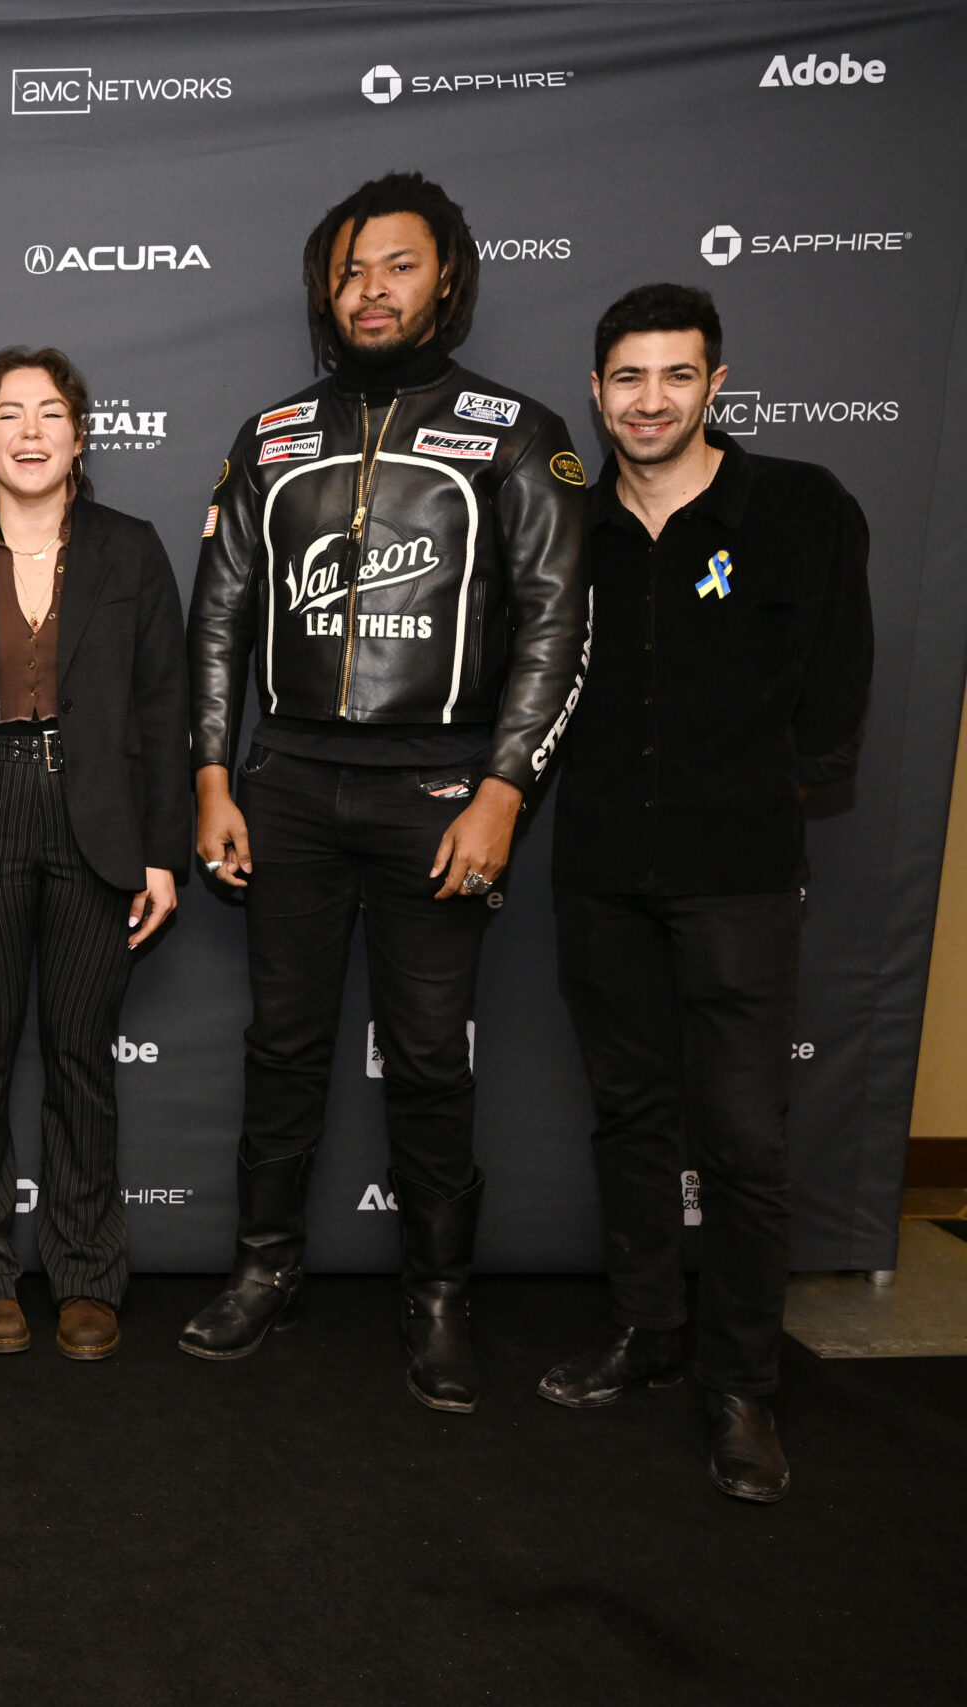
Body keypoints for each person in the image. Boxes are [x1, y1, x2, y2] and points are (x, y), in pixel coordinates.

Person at [180, 172, 588, 1412]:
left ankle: (438, 1296)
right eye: (352, 270)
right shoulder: (272, 437)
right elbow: (218, 625)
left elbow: (556, 628)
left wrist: (503, 792)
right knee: (283, 1049)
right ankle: (264, 1270)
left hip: (440, 789)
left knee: (426, 1060)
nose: (371, 290)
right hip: (290, 783)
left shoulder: (517, 433)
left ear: (447, 278)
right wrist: (212, 776)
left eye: (398, 266)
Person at [540, 285, 872, 1502]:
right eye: (627, 379)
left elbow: (838, 689)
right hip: (599, 874)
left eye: (674, 377)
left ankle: (740, 1386)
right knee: (630, 1115)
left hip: (735, 877)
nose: (648, 401)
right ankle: (646, 1332)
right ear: (597, 390)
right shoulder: (570, 524)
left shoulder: (797, 507)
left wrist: (767, 804)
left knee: (739, 1140)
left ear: (714, 385)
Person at [0, 347, 192, 1360]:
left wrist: (163, 853)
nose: (30, 432)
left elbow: (165, 707)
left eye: (50, 413)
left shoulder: (131, 548)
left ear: (78, 436)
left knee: (80, 1060)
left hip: (96, 818)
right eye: (9, 415)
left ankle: (85, 1273)